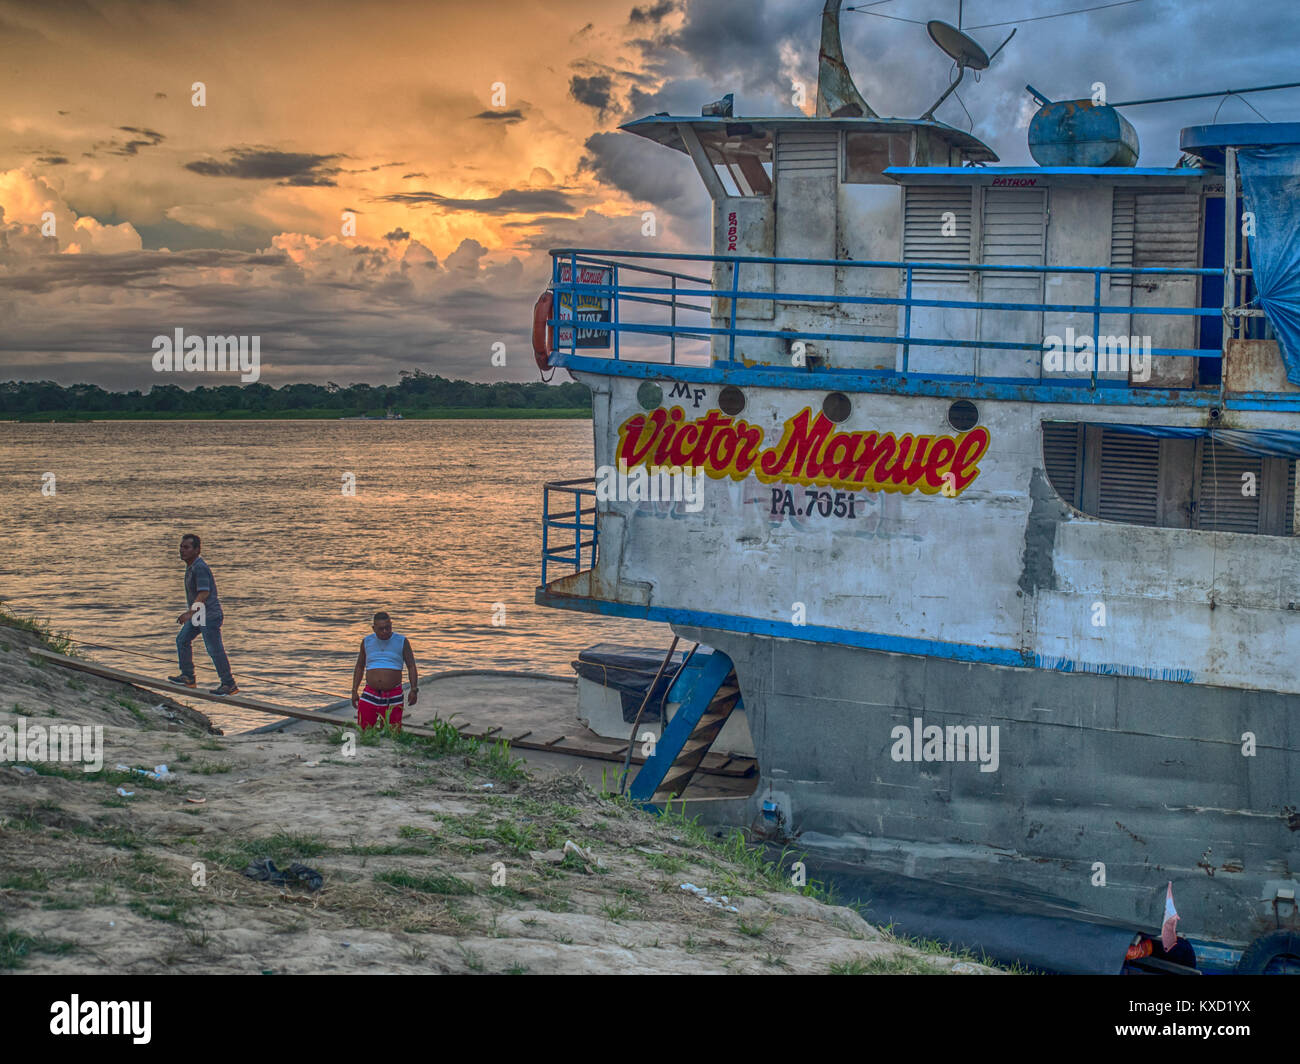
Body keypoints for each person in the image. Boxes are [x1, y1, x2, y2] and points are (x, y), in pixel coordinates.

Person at [169, 533, 239, 695]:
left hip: (209, 615)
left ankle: (229, 684)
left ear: (197, 550)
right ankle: (188, 676)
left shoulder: (200, 567)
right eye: (181, 547)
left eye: (186, 547)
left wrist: (189, 612)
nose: (182, 550)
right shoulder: (192, 566)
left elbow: (204, 593)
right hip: (199, 614)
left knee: (214, 649)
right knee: (182, 640)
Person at [351, 612, 418, 730]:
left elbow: (411, 666)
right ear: (374, 628)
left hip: (394, 694)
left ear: (391, 625)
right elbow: (360, 666)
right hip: (370, 693)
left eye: (388, 627)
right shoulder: (367, 641)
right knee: (364, 729)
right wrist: (354, 690)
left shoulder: (401, 641)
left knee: (393, 731)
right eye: (381, 629)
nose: (385, 631)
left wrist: (414, 689)